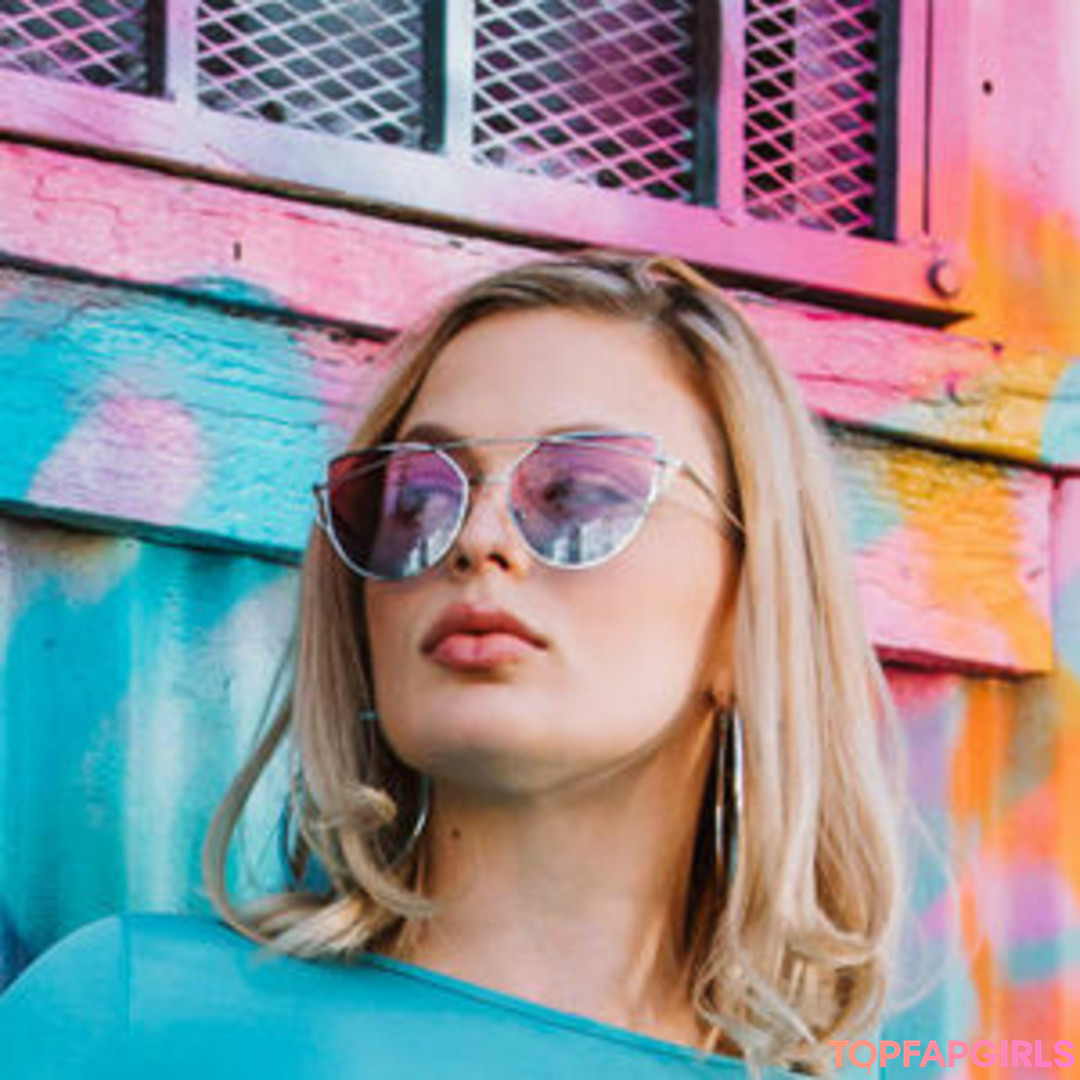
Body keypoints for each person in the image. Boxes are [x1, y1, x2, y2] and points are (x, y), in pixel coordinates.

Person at [0, 252, 905, 1078]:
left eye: (579, 493)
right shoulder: (134, 1017)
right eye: (417, 498)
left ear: (750, 614)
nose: (476, 538)